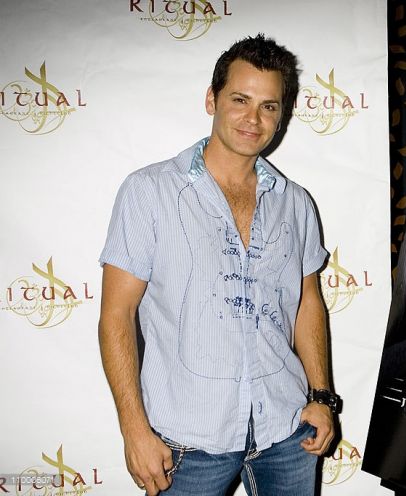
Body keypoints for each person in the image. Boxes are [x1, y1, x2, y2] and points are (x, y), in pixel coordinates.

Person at [97, 34, 340, 496]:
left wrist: (322, 396)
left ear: (282, 115)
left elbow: (308, 301)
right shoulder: (150, 191)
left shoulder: (296, 203)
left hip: (287, 430)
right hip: (187, 441)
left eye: (269, 106)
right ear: (212, 99)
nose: (253, 118)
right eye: (240, 100)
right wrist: (133, 429)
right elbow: (116, 315)